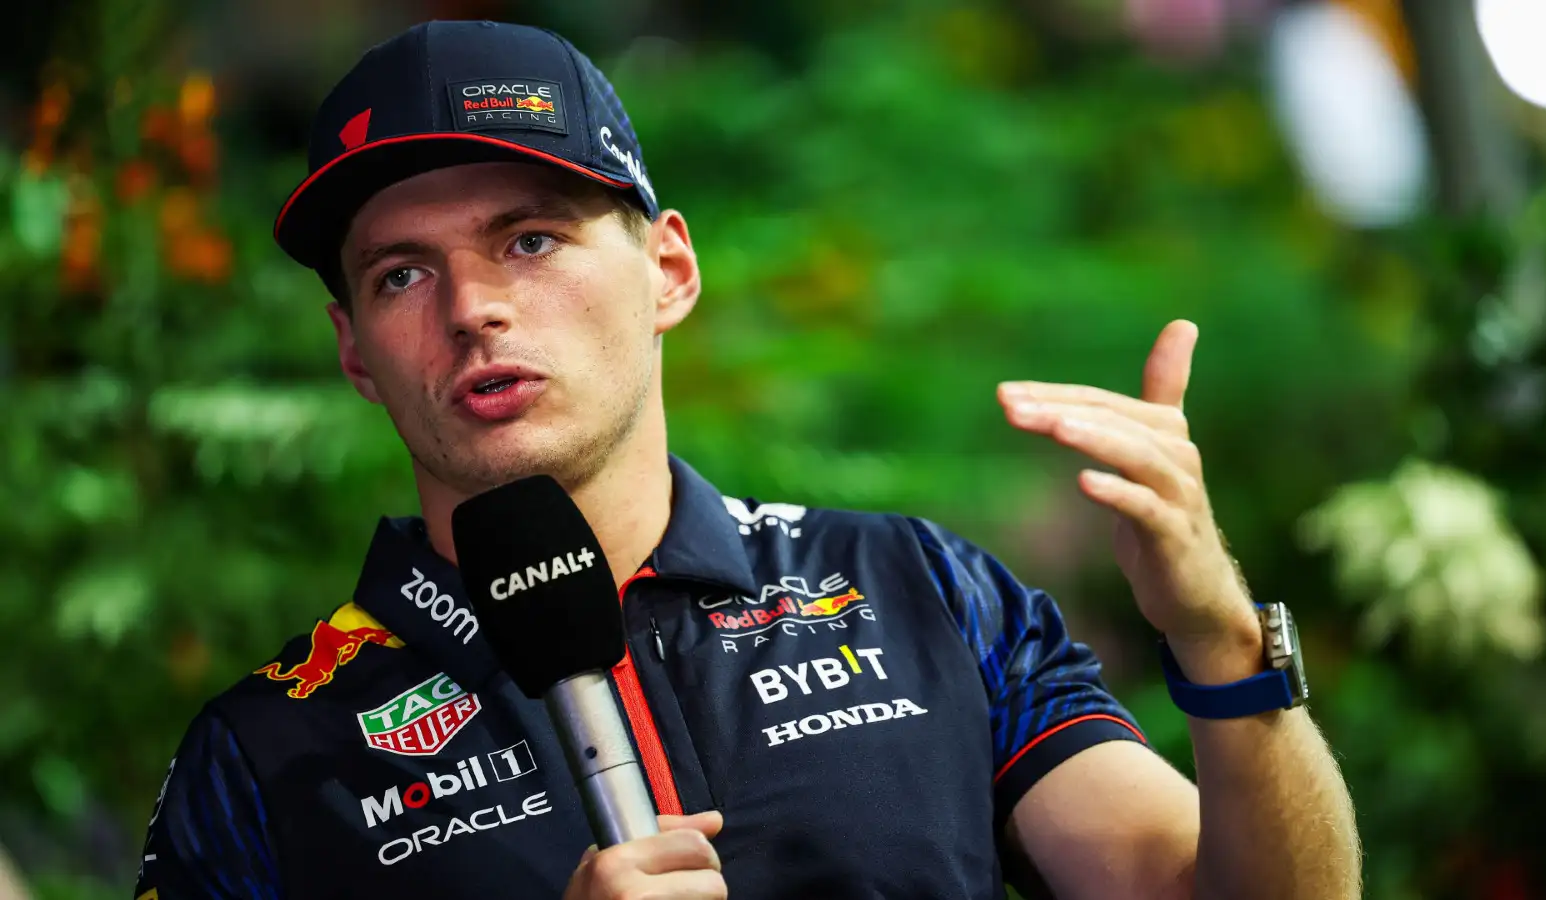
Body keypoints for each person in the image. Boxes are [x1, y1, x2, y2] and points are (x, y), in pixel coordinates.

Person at [133, 19, 1360, 900]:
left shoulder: (912, 587)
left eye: (530, 240)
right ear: (354, 349)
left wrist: (1216, 636)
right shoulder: (267, 752)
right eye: (403, 272)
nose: (472, 310)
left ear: (668, 269)